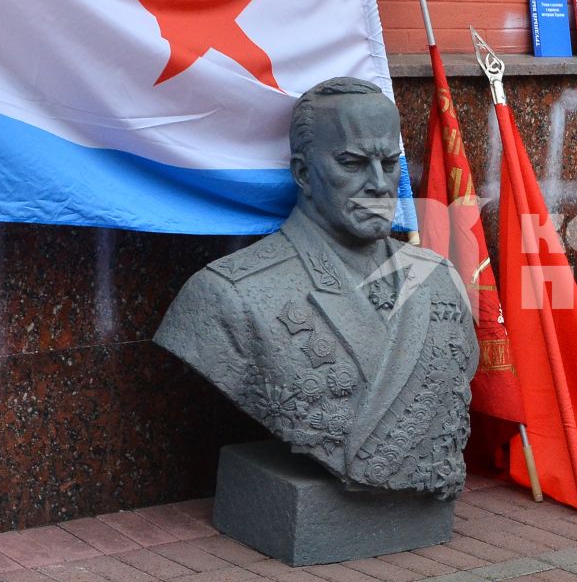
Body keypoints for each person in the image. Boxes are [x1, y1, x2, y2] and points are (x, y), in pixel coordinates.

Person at [155, 78, 478, 494]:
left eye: (390, 161)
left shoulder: (437, 278)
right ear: (304, 172)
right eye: (352, 163)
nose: (381, 184)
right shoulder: (228, 296)